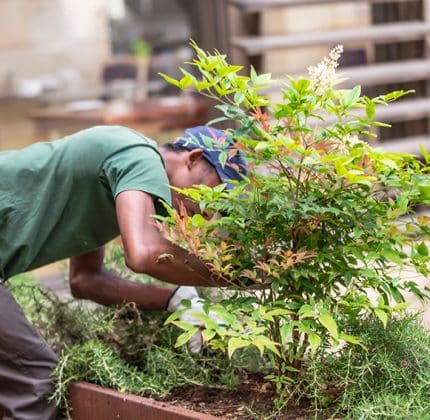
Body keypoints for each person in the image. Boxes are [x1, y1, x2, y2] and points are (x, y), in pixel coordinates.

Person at [0, 124, 247, 420]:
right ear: (193, 158)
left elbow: (86, 281)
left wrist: (176, 299)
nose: (208, 212)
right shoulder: (139, 156)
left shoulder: (124, 189)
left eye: (220, 208)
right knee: (37, 381)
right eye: (213, 191)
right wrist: (236, 274)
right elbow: (143, 253)